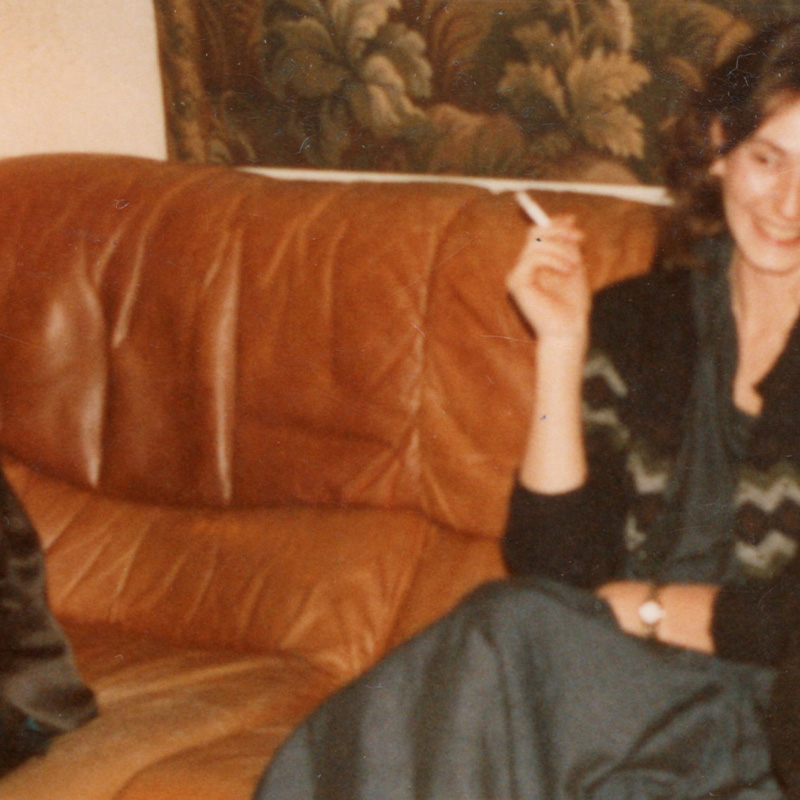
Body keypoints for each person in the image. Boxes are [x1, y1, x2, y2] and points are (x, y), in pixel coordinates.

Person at [255, 19, 800, 799]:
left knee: (508, 634)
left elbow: (784, 621)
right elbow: (554, 566)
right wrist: (560, 345)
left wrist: (646, 609)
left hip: (763, 712)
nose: (788, 203)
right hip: (608, 688)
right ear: (719, 149)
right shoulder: (640, 319)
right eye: (767, 159)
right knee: (514, 639)